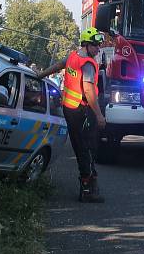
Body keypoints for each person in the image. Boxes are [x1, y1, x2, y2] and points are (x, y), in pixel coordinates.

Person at [37, 28, 106, 203]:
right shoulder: (88, 63)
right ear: (87, 44)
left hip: (69, 109)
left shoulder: (73, 57)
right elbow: (89, 90)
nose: (99, 48)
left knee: (79, 145)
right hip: (82, 111)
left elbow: (58, 65)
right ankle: (87, 189)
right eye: (96, 45)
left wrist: (40, 75)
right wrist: (99, 115)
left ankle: (89, 184)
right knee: (87, 148)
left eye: (99, 45)